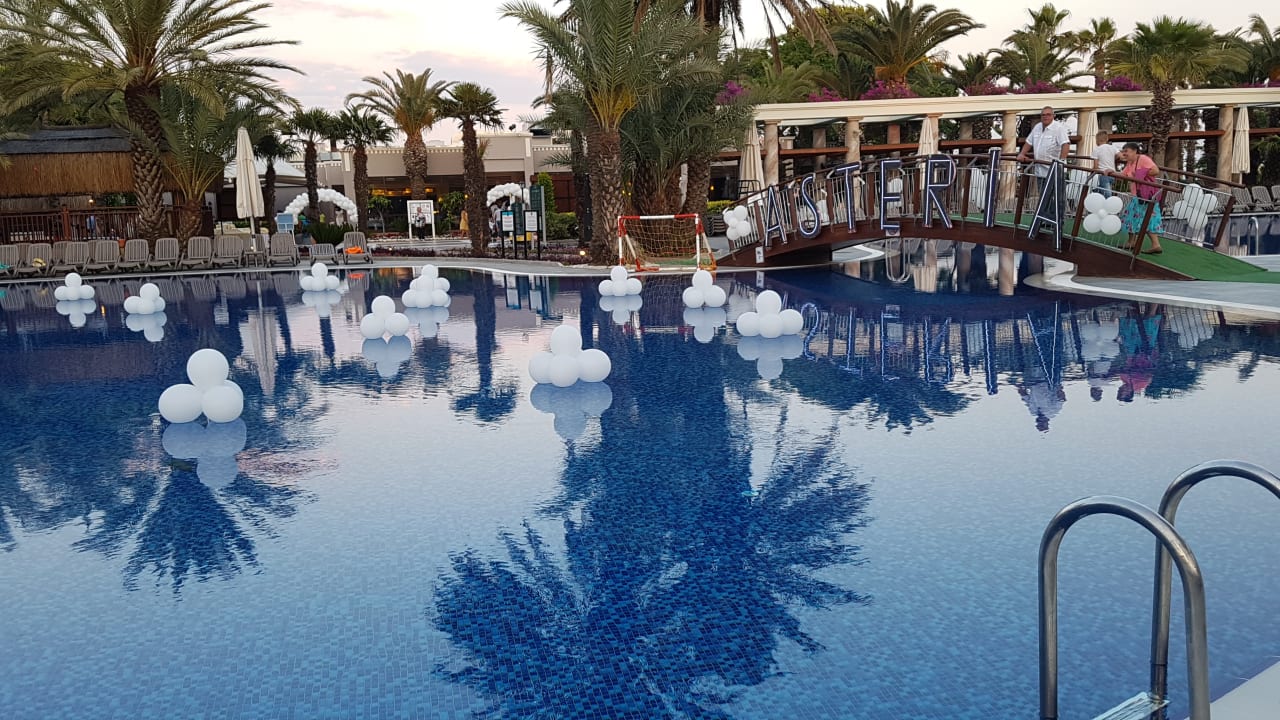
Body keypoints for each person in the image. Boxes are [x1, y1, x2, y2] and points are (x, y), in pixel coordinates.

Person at [1108, 142, 1165, 254]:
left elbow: (1155, 171)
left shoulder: (1143, 159)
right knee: (1132, 216)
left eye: (1126, 151)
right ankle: (1135, 242)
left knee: (1145, 218)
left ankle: (1153, 244)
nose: (1124, 153)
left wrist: (1140, 174)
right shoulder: (1130, 163)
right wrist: (1111, 172)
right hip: (1138, 196)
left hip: (1145, 196)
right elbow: (1124, 175)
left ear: (1135, 151)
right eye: (1123, 151)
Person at [1091, 131, 1118, 197]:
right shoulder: (1113, 148)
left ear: (1097, 140)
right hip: (1113, 174)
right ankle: (1097, 191)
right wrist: (1114, 158)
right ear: (1107, 139)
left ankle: (1096, 191)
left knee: (1107, 195)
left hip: (1103, 174)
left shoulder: (1097, 149)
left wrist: (1091, 173)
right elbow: (1120, 156)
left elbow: (1095, 166)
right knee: (1106, 192)